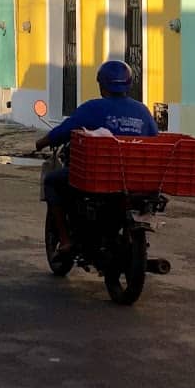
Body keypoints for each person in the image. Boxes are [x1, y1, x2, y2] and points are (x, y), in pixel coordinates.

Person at [35, 60, 158, 260]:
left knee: (52, 182)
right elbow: (155, 139)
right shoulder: (142, 111)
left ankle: (65, 240)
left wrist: (41, 142)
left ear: (102, 84)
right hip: (135, 179)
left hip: (98, 177)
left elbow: (63, 131)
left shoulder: (93, 108)